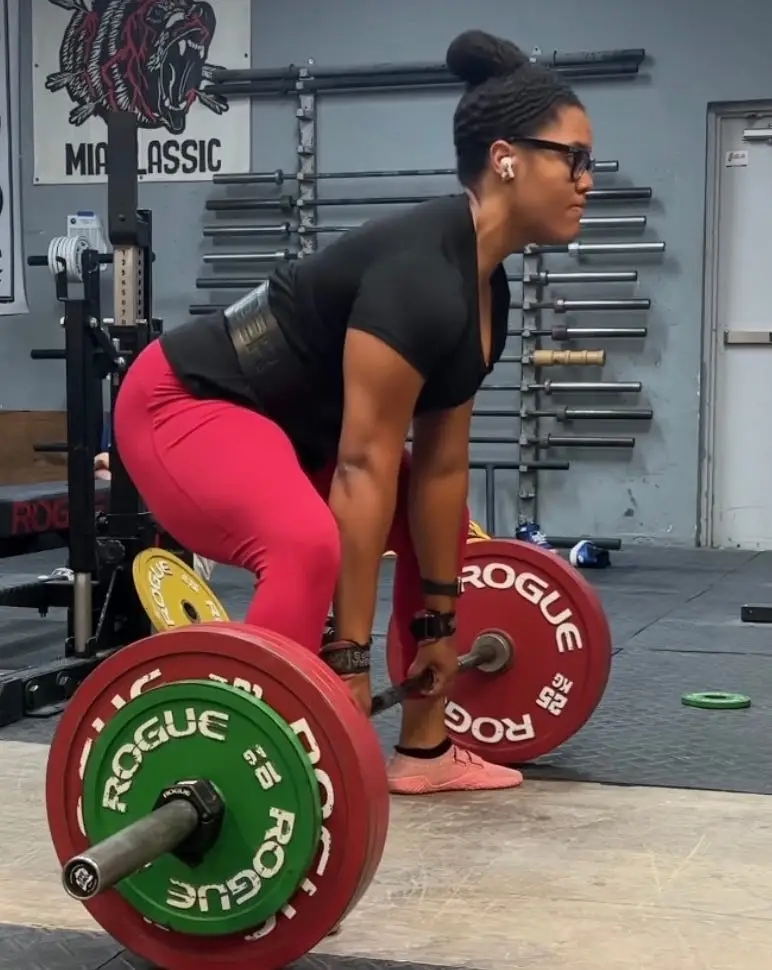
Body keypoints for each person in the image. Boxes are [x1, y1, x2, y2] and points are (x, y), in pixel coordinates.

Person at [114, 28, 594, 796]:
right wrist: (347, 657)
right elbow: (363, 464)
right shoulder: (419, 273)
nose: (586, 179)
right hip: (184, 404)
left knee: (436, 514)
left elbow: (438, 469)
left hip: (290, 436)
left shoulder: (485, 291)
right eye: (574, 157)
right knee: (307, 545)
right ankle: (236, 766)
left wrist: (440, 629)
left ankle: (425, 751)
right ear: (507, 158)